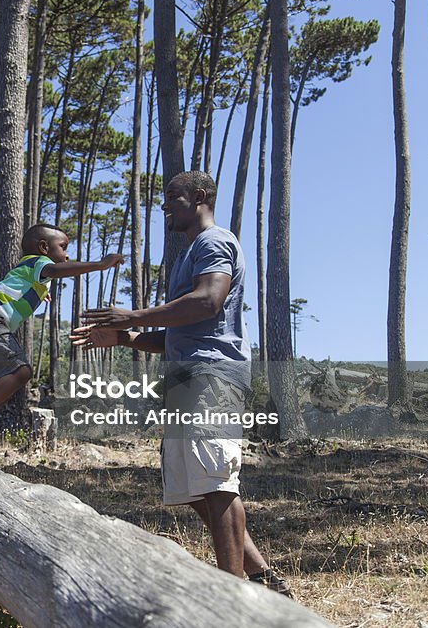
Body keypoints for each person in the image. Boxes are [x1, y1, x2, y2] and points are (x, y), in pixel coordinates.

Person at [69, 171, 292, 597]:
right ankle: (264, 578)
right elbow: (175, 331)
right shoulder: (191, 252)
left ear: (200, 198)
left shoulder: (213, 242)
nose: (165, 205)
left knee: (215, 482)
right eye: (165, 198)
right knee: (193, 487)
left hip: (211, 376)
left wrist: (133, 315)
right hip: (188, 376)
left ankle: (233, 598)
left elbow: (209, 301)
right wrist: (124, 336)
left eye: (174, 197)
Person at [0, 223, 124, 461]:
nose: (66, 254)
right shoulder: (39, 262)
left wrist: (38, 291)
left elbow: (16, 285)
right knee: (20, 371)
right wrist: (99, 265)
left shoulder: (29, 270)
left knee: (1, 385)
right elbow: (54, 271)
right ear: (44, 247)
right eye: (63, 247)